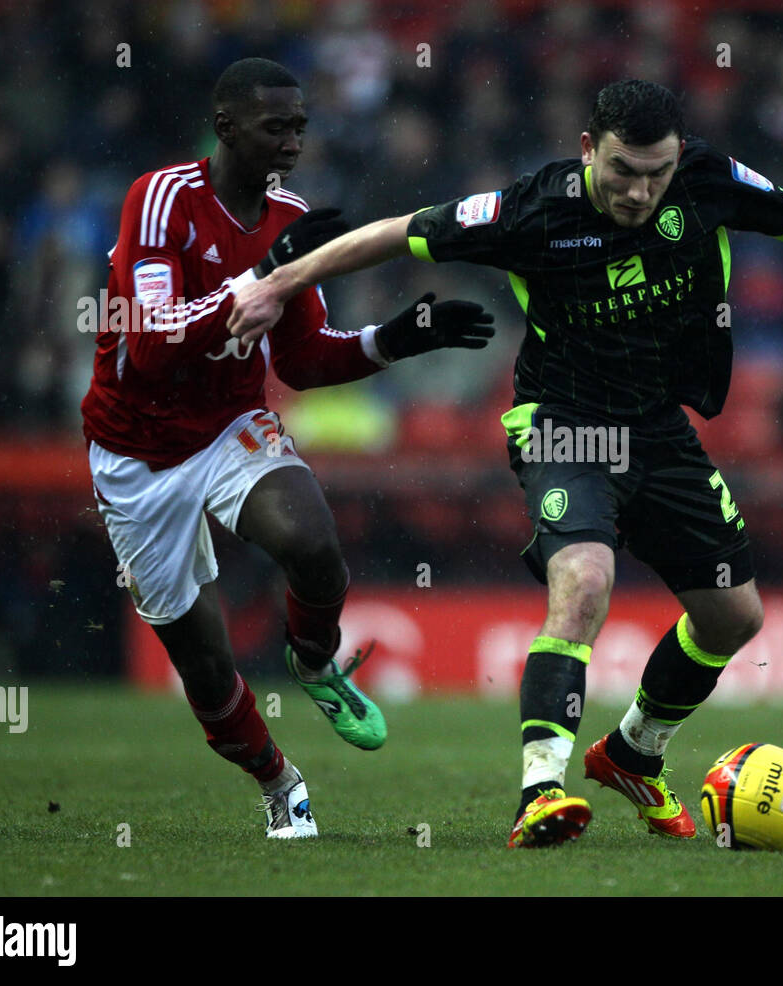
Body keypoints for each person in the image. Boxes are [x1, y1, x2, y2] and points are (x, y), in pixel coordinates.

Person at [229, 79, 783, 847]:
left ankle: (632, 751)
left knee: (733, 615)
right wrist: (279, 282)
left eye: (656, 172)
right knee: (585, 581)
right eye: (624, 170)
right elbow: (396, 232)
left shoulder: (707, 181)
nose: (640, 190)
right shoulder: (532, 209)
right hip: (562, 425)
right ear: (588, 149)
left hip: (658, 429)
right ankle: (540, 791)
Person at [80, 58, 494, 838]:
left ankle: (311, 661)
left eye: (301, 125)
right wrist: (263, 275)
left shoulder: (290, 214)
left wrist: (398, 338)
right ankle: (279, 782)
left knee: (312, 542)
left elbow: (303, 359)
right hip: (133, 450)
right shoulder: (160, 200)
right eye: (277, 126)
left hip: (231, 425)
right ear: (227, 125)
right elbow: (156, 344)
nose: (294, 140)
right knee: (205, 667)